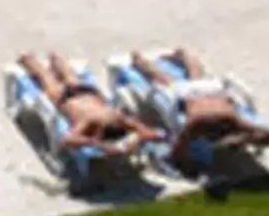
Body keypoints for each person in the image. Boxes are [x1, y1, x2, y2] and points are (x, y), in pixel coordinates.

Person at [129, 48, 269, 172]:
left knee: (183, 77)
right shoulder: (205, 121)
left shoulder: (230, 119)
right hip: (200, 93)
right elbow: (178, 150)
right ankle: (144, 60)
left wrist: (244, 138)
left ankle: (165, 57)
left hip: (206, 93)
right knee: (167, 77)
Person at [19, 52, 162, 152]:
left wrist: (140, 136)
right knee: (45, 76)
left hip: (87, 92)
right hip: (65, 97)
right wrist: (93, 142)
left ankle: (54, 58)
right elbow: (68, 140)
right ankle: (29, 59)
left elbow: (147, 132)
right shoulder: (93, 121)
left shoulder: (116, 117)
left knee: (68, 75)